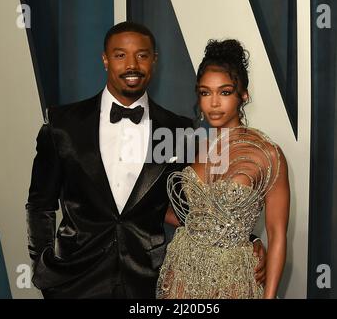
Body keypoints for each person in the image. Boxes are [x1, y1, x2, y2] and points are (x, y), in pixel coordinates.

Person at [26, 21, 266, 299]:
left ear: (154, 60)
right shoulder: (62, 124)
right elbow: (39, 204)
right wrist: (42, 268)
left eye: (141, 55)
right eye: (120, 55)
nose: (132, 65)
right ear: (105, 60)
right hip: (75, 280)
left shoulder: (179, 131)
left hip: (148, 281)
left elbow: (194, 206)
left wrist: (247, 239)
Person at [157, 39, 290, 299]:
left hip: (233, 279)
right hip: (182, 272)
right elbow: (177, 213)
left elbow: (277, 234)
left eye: (225, 92)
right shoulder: (193, 147)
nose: (214, 103)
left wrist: (270, 296)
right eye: (205, 93)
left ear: (244, 94)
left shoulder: (267, 154)